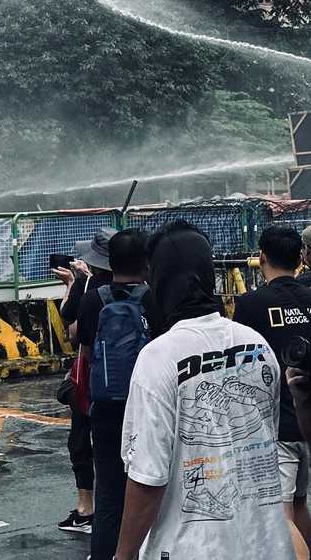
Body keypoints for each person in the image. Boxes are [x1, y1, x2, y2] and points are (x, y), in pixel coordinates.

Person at [113, 220, 292, 560]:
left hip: (194, 549)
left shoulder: (158, 358)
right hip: (268, 543)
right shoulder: (257, 345)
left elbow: (148, 479)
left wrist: (123, 554)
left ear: (159, 282)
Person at [233, 224, 311, 553]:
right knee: (301, 503)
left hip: (277, 425)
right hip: (309, 418)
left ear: (261, 257)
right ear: (300, 258)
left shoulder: (250, 304)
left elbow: (240, 366)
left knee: (282, 515)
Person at [77, 228, 149, 560]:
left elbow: (88, 353)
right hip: (147, 407)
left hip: (105, 409)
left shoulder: (94, 299)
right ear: (146, 261)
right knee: (149, 486)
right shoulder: (154, 298)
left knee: (108, 496)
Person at [55, 230, 115, 535]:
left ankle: (86, 510)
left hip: (92, 380)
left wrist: (74, 285)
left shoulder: (91, 290)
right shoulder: (139, 290)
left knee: (81, 443)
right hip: (126, 380)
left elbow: (74, 331)